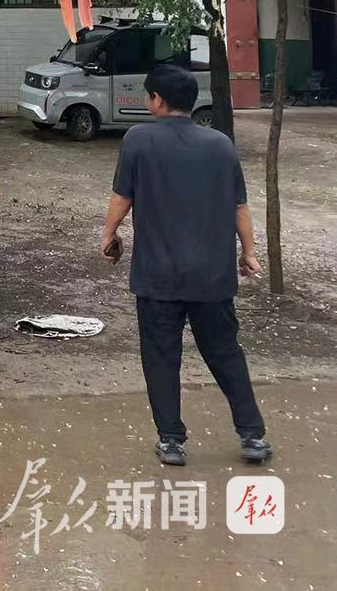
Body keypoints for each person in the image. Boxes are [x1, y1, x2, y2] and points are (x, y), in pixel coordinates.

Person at [101, 64, 271, 467]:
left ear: (157, 100)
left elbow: (122, 197)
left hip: (157, 276)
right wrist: (249, 252)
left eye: (148, 96)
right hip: (212, 276)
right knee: (225, 351)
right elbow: (239, 206)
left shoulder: (138, 139)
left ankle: (172, 441)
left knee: (161, 356)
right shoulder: (220, 145)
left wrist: (107, 234)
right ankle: (252, 435)